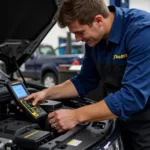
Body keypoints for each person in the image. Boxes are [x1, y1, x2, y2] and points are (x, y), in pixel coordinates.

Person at [24, 0, 150, 149]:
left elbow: (132, 97)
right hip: (120, 120)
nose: (78, 39)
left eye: (80, 32)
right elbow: (83, 81)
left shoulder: (141, 32)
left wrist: (76, 115)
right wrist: (46, 93)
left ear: (98, 20)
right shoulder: (95, 40)